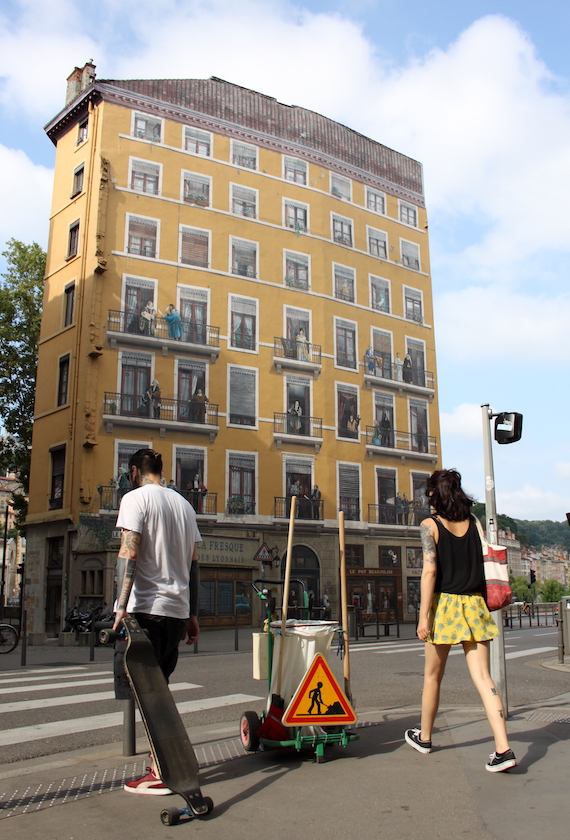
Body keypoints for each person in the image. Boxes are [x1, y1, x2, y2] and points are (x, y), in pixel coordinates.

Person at [404, 468, 517, 773]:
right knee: (483, 678)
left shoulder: (430, 526)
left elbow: (428, 572)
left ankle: (425, 737)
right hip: (475, 604)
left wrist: (422, 616)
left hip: (445, 606)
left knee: (432, 677)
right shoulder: (475, 523)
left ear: (434, 495)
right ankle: (503, 748)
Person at [112, 448, 201, 794]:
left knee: (144, 693)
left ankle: (161, 771)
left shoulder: (135, 499)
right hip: (176, 614)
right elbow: (194, 568)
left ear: (135, 471)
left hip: (144, 611)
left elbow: (128, 552)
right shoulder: (185, 506)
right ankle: (162, 765)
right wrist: (192, 616)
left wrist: (120, 606)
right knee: (159, 690)